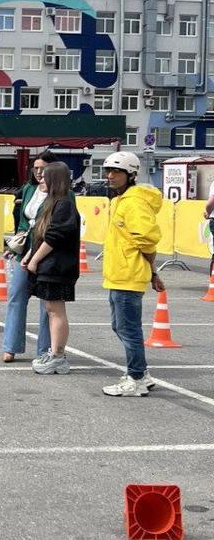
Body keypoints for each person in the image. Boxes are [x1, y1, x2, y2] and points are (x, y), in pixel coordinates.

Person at [100, 151, 163, 397]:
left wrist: (152, 271)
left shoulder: (134, 202)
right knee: (120, 326)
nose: (110, 176)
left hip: (128, 274)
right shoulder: (120, 200)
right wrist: (154, 272)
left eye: (116, 172)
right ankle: (141, 373)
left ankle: (136, 378)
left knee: (128, 329)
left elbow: (147, 238)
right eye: (108, 171)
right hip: (119, 273)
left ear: (131, 175)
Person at [24, 162, 81, 374]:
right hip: (50, 266)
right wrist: (30, 255)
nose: (40, 179)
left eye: (45, 177)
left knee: (56, 311)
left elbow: (55, 236)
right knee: (51, 310)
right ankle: (55, 353)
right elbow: (40, 234)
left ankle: (58, 356)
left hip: (58, 267)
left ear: (55, 180)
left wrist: (34, 259)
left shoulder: (64, 204)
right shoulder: (52, 203)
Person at [0, 152, 55, 363]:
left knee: (47, 304)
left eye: (43, 168)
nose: (39, 172)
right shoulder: (30, 189)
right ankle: (10, 346)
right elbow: (23, 222)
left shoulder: (62, 194)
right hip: (24, 252)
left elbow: (58, 228)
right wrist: (16, 245)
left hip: (48, 254)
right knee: (16, 297)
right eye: (36, 168)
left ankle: (45, 349)